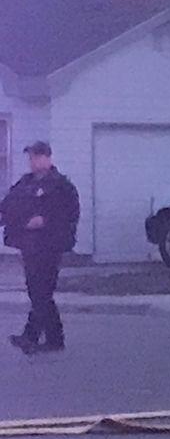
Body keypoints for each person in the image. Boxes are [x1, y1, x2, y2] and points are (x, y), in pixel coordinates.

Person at [0, 142, 80, 355]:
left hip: (50, 246)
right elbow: (8, 207)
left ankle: (35, 336)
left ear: (48, 158)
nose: (33, 161)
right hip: (29, 246)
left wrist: (46, 220)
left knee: (42, 291)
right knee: (37, 291)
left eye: (37, 156)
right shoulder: (25, 184)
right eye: (31, 157)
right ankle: (49, 338)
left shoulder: (61, 186)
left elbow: (70, 213)